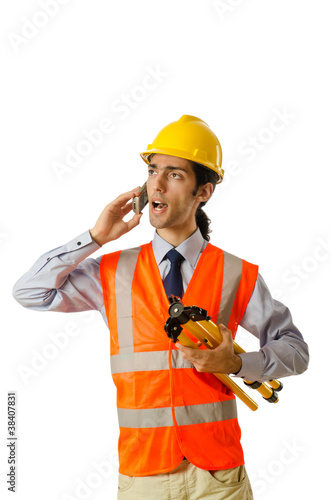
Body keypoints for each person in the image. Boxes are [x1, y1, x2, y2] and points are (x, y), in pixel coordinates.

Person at [13, 115, 309, 500]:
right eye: (153, 170)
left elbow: (296, 351)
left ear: (204, 191)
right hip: (143, 476)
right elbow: (30, 292)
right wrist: (95, 237)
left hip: (218, 477)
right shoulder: (112, 271)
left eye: (174, 174)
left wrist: (236, 364)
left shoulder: (235, 272)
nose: (157, 182)